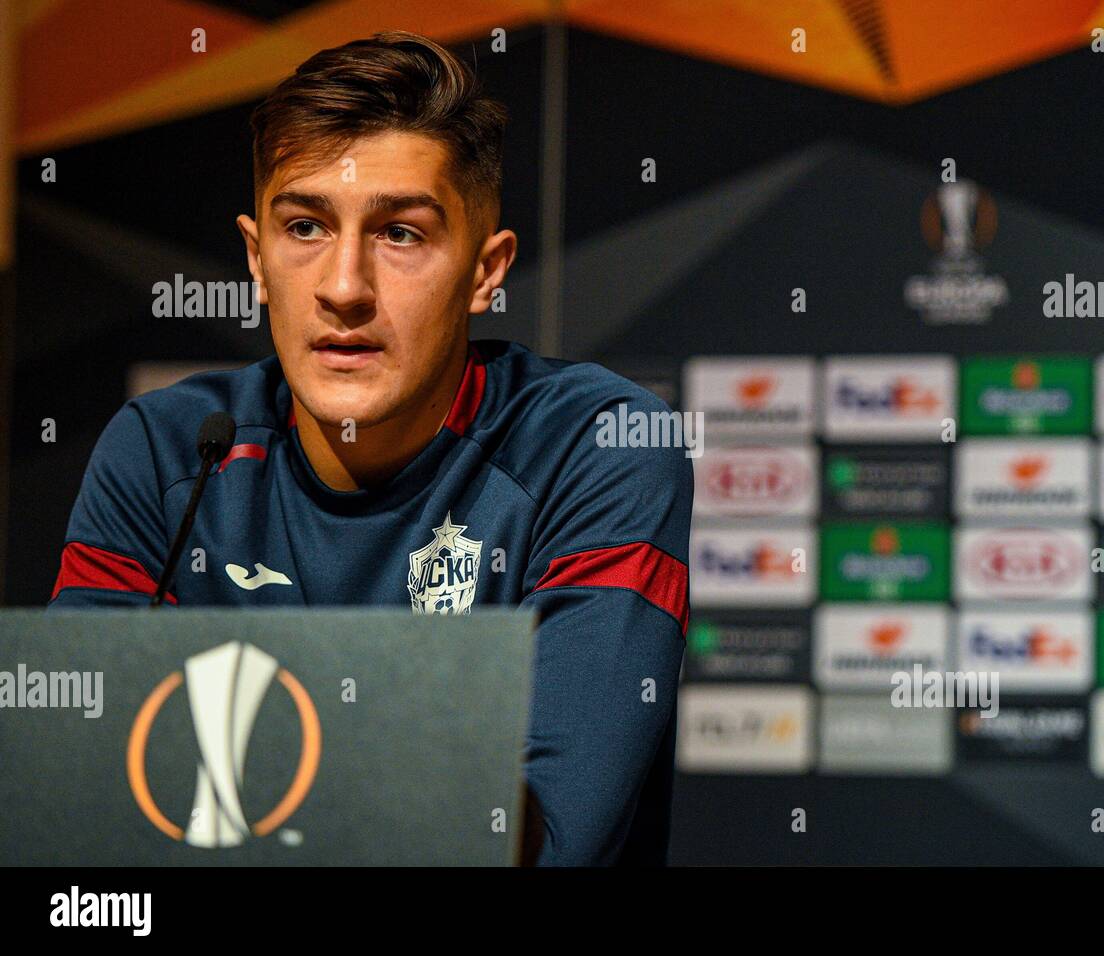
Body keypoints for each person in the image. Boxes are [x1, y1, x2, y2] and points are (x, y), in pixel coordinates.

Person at [48, 31, 693, 866]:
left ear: (486, 271)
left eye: (401, 235)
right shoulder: (169, 452)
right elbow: (73, 806)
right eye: (306, 225)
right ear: (256, 257)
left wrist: (216, 759)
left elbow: (541, 842)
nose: (344, 287)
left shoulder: (596, 446)